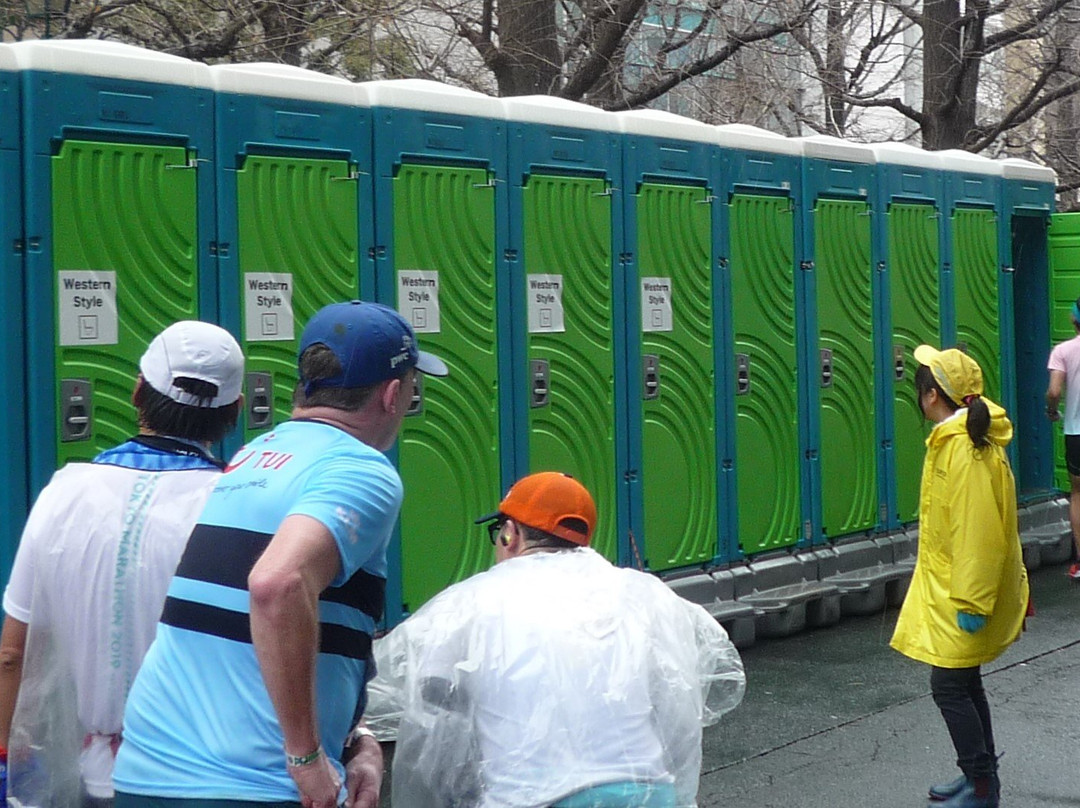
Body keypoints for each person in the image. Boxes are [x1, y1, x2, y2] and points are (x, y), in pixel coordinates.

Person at [113, 301, 447, 808]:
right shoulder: (362, 469)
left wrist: (357, 745)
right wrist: (307, 758)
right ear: (393, 393)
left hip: (148, 773)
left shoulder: (255, 454)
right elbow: (277, 584)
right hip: (250, 786)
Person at [372, 471, 746, 808]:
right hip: (647, 793)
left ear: (509, 534)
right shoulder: (645, 595)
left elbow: (430, 718)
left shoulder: (469, 603)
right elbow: (678, 707)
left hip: (530, 797)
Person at [0, 321, 245, 808]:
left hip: (96, 778)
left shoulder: (64, 491)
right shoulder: (237, 504)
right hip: (205, 778)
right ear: (235, 413)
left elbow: (13, 654)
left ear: (137, 393)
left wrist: (6, 758)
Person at [890, 345, 1028, 808]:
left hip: (961, 593)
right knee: (963, 682)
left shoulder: (963, 452)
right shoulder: (961, 442)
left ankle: (982, 785)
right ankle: (978, 776)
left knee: (948, 685)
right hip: (953, 586)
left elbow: (977, 531)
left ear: (931, 396)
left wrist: (971, 601)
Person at [1045, 296, 1080, 579]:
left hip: (1076, 432)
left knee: (1078, 495)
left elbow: (1055, 391)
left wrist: (1052, 411)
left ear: (1073, 318)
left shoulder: (1063, 350)